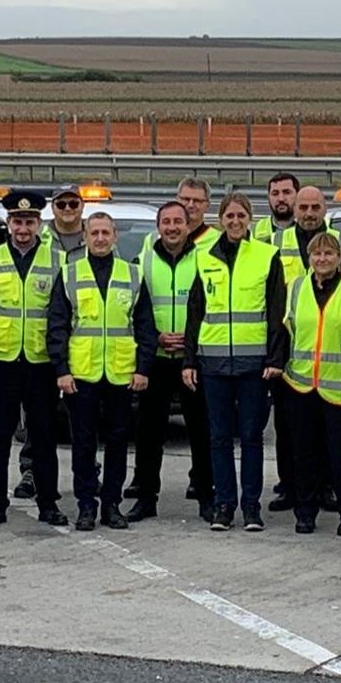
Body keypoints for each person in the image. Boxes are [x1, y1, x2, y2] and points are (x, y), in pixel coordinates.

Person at [183, 192, 286, 532]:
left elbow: (276, 312)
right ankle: (224, 505)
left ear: (250, 219)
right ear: (221, 219)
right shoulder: (203, 257)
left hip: (254, 364)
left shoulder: (266, 256)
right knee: (219, 438)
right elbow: (195, 312)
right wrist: (189, 360)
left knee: (252, 437)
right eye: (230, 216)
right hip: (213, 363)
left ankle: (251, 507)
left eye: (241, 216)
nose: (235, 221)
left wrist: (275, 357)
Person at [49, 213, 156, 530]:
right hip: (82, 373)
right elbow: (57, 326)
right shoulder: (69, 274)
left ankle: (111, 505)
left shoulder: (132, 274)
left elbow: (145, 327)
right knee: (83, 443)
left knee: (118, 442)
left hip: (121, 373)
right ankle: (86, 505)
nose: (99, 238)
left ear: (114, 236)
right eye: (94, 233)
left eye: (105, 233)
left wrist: (142, 368)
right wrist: (61, 369)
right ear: (84, 236)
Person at [0, 191, 69, 528]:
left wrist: (61, 361)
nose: (23, 229)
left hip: (41, 361)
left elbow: (63, 315)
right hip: (0, 360)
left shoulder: (58, 260)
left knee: (43, 436)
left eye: (29, 222)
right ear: (9, 223)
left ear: (39, 224)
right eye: (17, 222)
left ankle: (48, 503)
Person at [281, 233, 341, 535]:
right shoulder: (295, 288)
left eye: (329, 253)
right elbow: (284, 333)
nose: (322, 259)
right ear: (309, 258)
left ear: (339, 258)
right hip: (300, 385)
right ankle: (305, 511)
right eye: (317, 254)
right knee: (304, 454)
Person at [127, 202, 214, 522]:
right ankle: (146, 498)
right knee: (149, 435)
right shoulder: (143, 261)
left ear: (188, 225)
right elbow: (136, 311)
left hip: (193, 360)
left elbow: (209, 307)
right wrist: (156, 337)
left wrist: (190, 341)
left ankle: (206, 498)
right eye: (166, 222)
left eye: (178, 221)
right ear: (158, 227)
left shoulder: (205, 259)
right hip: (157, 358)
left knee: (201, 433)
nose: (173, 227)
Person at [267, 184, 341, 515]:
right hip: (289, 349)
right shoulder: (275, 243)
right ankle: (290, 486)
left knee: (329, 429)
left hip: (330, 352)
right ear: (295, 209)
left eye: (315, 207)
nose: (309, 213)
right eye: (303, 207)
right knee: (287, 428)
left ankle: (326, 486)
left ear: (325, 208)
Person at [252, 172, 300, 245]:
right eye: (275, 194)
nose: (281, 199)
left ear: (298, 195)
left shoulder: (308, 229)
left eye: (287, 192)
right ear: (268, 197)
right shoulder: (254, 231)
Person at [46, 185, 89, 259]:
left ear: (82, 206)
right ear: (52, 208)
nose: (67, 209)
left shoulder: (98, 238)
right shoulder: (37, 238)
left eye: (73, 204)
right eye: (61, 205)